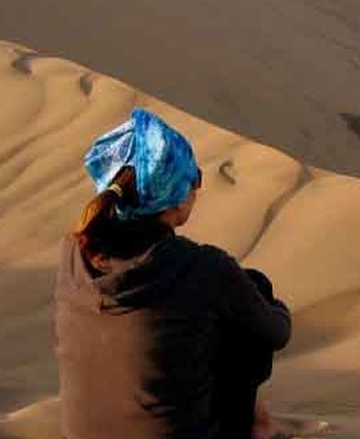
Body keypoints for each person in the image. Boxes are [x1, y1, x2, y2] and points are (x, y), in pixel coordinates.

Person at [55, 108, 291, 439]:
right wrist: (264, 300)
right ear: (176, 197)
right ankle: (257, 426)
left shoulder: (73, 254)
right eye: (194, 178)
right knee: (251, 296)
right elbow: (277, 332)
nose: (197, 187)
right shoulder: (203, 268)